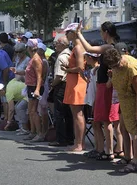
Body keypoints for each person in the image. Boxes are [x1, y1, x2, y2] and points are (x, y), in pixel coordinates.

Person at [75, 21, 121, 159]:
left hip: (105, 86)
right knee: (103, 119)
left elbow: (89, 48)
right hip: (104, 84)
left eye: (101, 31)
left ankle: (109, 151)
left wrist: (79, 34)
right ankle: (105, 149)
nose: (101, 34)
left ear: (106, 32)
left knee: (106, 120)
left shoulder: (109, 46)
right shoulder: (113, 46)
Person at [102, 46, 137, 173]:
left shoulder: (130, 68)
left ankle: (136, 161)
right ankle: (131, 156)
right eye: (112, 66)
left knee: (136, 130)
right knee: (124, 128)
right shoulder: (116, 67)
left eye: (116, 65)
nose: (115, 67)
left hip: (135, 101)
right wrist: (112, 75)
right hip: (124, 101)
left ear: (120, 58)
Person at [63, 23, 88, 152]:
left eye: (67, 32)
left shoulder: (78, 48)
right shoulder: (78, 47)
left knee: (77, 114)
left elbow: (80, 68)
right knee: (76, 114)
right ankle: (78, 142)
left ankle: (79, 144)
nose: (66, 35)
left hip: (77, 83)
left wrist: (67, 69)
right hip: (75, 82)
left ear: (73, 33)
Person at [49, 37, 73, 146]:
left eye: (57, 44)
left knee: (59, 113)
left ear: (62, 45)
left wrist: (52, 85)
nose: (55, 46)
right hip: (69, 85)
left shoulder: (61, 57)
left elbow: (59, 76)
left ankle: (61, 139)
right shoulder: (70, 54)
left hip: (61, 85)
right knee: (68, 114)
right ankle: (69, 137)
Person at [22, 39, 44, 141]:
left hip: (35, 86)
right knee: (31, 111)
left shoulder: (35, 59)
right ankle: (33, 132)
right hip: (31, 86)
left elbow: (39, 76)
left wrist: (37, 89)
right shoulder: (33, 58)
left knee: (33, 111)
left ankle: (39, 133)